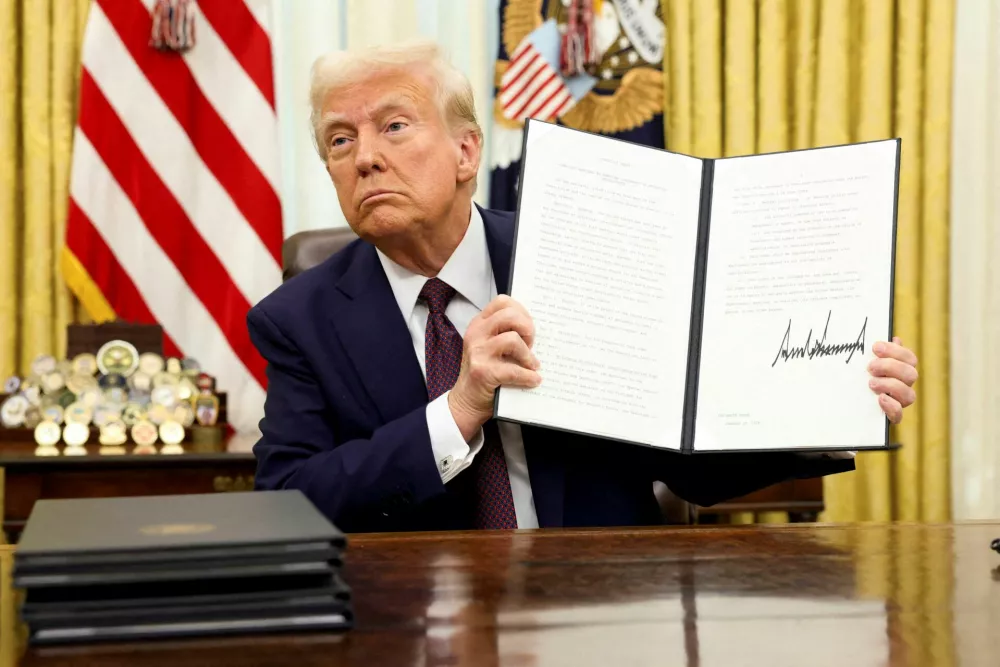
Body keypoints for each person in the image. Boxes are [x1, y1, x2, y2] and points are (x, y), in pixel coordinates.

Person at [247, 42, 919, 533]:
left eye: (394, 125)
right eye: (340, 140)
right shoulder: (298, 318)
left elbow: (689, 460)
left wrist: (834, 404)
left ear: (466, 152)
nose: (364, 156)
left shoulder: (584, 253)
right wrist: (456, 411)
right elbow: (289, 499)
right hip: (417, 624)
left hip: (608, 603)